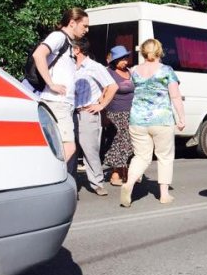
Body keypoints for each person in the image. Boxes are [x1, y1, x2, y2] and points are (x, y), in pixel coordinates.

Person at [120, 39, 186, 208]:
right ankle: (164, 194)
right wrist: (181, 117)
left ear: (142, 52)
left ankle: (129, 184)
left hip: (137, 120)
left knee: (141, 156)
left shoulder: (134, 70)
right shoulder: (166, 71)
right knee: (164, 157)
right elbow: (175, 96)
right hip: (161, 120)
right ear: (159, 51)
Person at [31, 7, 89, 169]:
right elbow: (38, 54)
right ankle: (45, 178)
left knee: (55, 148)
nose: (87, 29)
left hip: (62, 103)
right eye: (84, 26)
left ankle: (45, 178)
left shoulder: (69, 43)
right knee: (68, 147)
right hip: (56, 102)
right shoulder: (58, 37)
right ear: (72, 23)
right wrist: (51, 84)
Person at [72, 37, 118, 196]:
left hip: (87, 113)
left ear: (77, 49)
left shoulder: (94, 67)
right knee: (71, 149)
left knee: (90, 149)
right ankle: (70, 182)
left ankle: (97, 183)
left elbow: (112, 86)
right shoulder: (70, 67)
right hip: (71, 112)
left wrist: (101, 105)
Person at [103, 45, 135, 187]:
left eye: (126, 58)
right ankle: (117, 173)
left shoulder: (130, 72)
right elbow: (103, 94)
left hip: (132, 113)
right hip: (116, 112)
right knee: (123, 141)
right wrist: (104, 114)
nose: (125, 61)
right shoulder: (109, 73)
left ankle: (124, 171)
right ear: (115, 60)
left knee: (130, 142)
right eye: (122, 59)